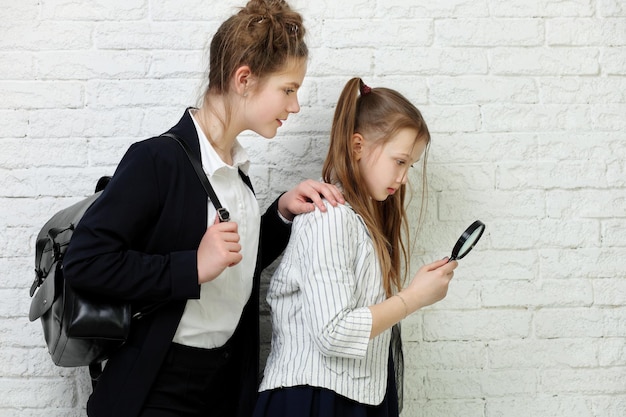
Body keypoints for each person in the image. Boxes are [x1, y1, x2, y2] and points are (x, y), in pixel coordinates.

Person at [63, 1, 344, 416]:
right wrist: (191, 267)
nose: (295, 106)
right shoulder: (158, 161)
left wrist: (281, 213)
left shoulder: (237, 171)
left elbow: (231, 266)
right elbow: (84, 262)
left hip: (224, 384)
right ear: (244, 78)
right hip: (157, 387)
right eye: (288, 89)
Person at [254, 77, 459, 417]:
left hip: (352, 398)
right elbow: (334, 332)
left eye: (410, 166)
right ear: (358, 146)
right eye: (399, 161)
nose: (404, 177)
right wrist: (414, 297)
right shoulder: (328, 218)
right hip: (312, 402)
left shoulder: (362, 223)